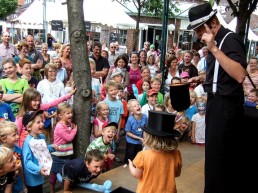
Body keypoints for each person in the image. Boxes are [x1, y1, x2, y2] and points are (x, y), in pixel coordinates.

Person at [187, 3, 248, 192]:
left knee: (221, 157)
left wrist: (214, 49)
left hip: (227, 106)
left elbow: (239, 74)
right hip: (215, 102)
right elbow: (221, 74)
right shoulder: (214, 43)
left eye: (199, 29)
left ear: (212, 23)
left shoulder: (230, 39)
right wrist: (202, 78)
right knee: (213, 157)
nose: (197, 35)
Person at [128, 110, 182, 193]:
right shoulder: (176, 153)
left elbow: (137, 174)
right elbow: (177, 174)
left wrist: (131, 165)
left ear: (148, 136)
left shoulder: (143, 155)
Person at [22, 110, 57, 193]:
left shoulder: (41, 137)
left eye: (42, 121)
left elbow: (42, 150)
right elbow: (27, 162)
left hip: (40, 174)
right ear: (29, 127)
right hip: (32, 178)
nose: (42, 124)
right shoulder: (28, 143)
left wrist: (51, 147)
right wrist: (38, 169)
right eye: (38, 122)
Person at [50, 103, 77, 193]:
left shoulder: (69, 124)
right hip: (58, 155)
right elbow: (69, 138)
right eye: (68, 113)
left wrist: (72, 128)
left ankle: (64, 189)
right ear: (60, 115)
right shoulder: (59, 126)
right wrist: (74, 130)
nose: (71, 115)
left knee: (66, 173)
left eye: (71, 112)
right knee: (54, 173)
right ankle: (51, 189)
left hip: (66, 155)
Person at [0, 121, 27, 193]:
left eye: (17, 134)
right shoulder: (1, 154)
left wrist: (24, 185)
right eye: (14, 135)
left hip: (17, 186)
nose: (17, 137)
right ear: (3, 139)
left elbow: (21, 169)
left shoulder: (19, 150)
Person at [124, 99, 147, 164]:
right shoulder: (130, 120)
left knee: (138, 156)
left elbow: (145, 129)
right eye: (134, 106)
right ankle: (127, 166)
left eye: (138, 104)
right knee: (130, 156)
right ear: (131, 111)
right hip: (131, 141)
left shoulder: (145, 117)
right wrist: (139, 138)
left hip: (140, 141)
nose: (137, 106)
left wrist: (145, 138)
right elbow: (128, 132)